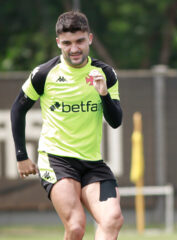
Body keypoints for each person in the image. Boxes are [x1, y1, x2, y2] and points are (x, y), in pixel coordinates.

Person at [10, 11, 124, 240]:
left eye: (80, 41)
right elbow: (18, 109)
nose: (74, 48)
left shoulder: (105, 74)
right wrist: (21, 156)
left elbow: (115, 121)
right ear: (58, 43)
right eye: (67, 43)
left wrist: (103, 95)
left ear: (90, 39)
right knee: (75, 226)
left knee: (112, 220)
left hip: (92, 163)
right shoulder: (43, 74)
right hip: (57, 160)